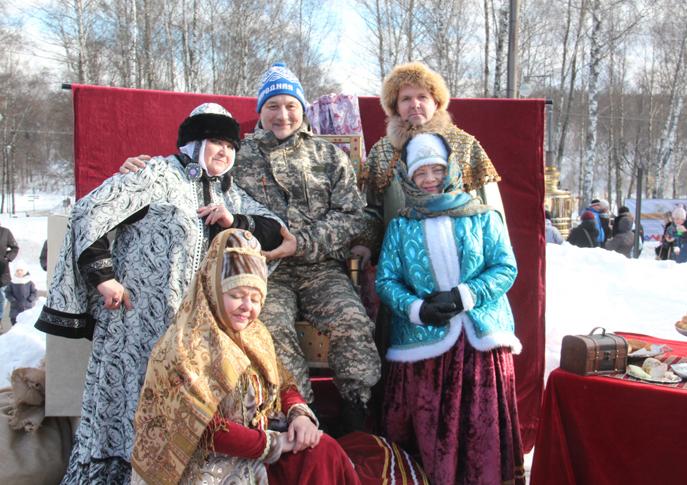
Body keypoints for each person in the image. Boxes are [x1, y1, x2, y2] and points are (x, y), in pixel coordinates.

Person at [121, 64, 381, 435]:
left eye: (290, 105)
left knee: (352, 323)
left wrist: (301, 243)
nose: (282, 114)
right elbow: (191, 171)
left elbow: (352, 217)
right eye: (272, 105)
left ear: (302, 109)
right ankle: (302, 420)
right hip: (262, 272)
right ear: (261, 110)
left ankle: (355, 420)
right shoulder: (237, 154)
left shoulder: (328, 156)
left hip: (320, 267)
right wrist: (143, 168)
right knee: (271, 332)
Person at [38, 103, 285, 485]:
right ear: (193, 143)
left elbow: (276, 231)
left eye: (230, 145)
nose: (224, 151)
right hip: (139, 324)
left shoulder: (230, 193)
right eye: (215, 142)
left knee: (180, 412)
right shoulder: (155, 174)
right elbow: (91, 212)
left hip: (194, 336)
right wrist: (104, 278)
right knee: (130, 409)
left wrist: (232, 221)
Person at [130, 229, 360, 485]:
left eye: (255, 298)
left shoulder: (256, 334)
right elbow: (204, 427)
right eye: (236, 296)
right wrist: (275, 443)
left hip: (261, 448)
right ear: (213, 289)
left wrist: (300, 416)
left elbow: (283, 383)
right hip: (210, 462)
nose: (247, 307)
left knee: (323, 450)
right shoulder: (185, 347)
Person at [375, 133, 524, 485]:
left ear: (452, 170)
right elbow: (386, 281)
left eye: (436, 170)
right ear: (408, 178)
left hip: (479, 345)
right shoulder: (400, 225)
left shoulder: (484, 217)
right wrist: (416, 309)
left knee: (480, 433)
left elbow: (505, 268)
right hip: (421, 348)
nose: (429, 181)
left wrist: (464, 297)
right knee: (427, 430)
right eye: (420, 173)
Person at [355, 61, 503, 269]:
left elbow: (489, 208)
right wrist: (365, 243)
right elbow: (373, 211)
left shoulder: (465, 145)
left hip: (463, 263)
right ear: (396, 107)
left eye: (422, 97)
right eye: (406, 99)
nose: (415, 104)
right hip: (403, 264)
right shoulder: (381, 152)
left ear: (436, 102)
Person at [5, 260, 38, 325]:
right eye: (17, 271)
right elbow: (7, 292)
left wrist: (29, 299)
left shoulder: (29, 282)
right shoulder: (12, 282)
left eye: (21, 270)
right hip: (15, 308)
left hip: (26, 307)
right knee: (15, 324)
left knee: (25, 324)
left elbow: (34, 292)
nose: (19, 272)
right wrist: (12, 299)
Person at [0, 222, 19, 321]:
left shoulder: (5, 232)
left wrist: (7, 258)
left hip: (2, 271)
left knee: (1, 298)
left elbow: (15, 248)